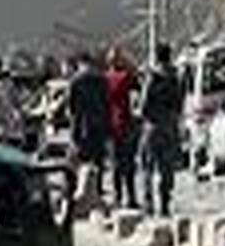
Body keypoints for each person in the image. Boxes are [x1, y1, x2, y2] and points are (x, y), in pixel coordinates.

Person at [138, 42, 183, 217]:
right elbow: (179, 104)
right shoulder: (175, 78)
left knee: (147, 167)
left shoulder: (152, 77)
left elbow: (143, 105)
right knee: (167, 168)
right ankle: (165, 203)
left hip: (152, 127)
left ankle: (148, 203)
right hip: (169, 127)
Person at [69, 52, 110, 195]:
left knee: (81, 160)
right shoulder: (102, 80)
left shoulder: (76, 81)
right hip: (99, 125)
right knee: (98, 160)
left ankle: (80, 188)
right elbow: (106, 104)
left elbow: (72, 108)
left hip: (82, 126)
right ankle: (97, 188)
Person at [105, 46, 139, 209]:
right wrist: (129, 62)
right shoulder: (126, 77)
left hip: (111, 125)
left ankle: (117, 197)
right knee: (129, 163)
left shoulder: (105, 79)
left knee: (115, 164)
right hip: (126, 123)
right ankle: (131, 197)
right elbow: (137, 83)